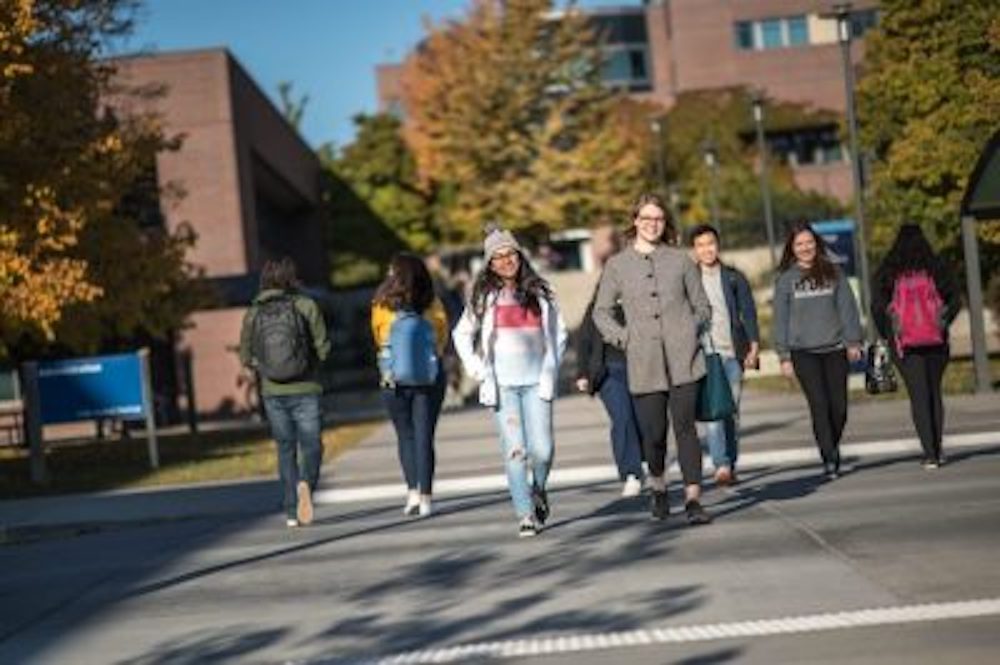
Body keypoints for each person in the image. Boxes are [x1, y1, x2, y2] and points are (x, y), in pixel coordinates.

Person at [593, 193, 713, 525]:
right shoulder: (617, 265)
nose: (652, 224)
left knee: (686, 429)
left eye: (658, 219)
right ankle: (658, 486)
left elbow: (703, 305)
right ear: (635, 222)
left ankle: (693, 499)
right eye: (646, 218)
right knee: (654, 433)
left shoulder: (681, 261)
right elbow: (601, 312)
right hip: (643, 361)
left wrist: (691, 327)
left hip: (685, 358)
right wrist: (624, 338)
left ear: (665, 222)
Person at [453, 226, 568, 538]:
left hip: (536, 383)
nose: (505, 261)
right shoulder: (484, 297)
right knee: (515, 450)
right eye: (497, 257)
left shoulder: (541, 292)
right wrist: (477, 369)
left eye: (510, 254)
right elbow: (461, 334)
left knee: (543, 450)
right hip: (503, 386)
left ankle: (538, 488)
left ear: (520, 256)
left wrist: (551, 368)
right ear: (490, 264)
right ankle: (525, 514)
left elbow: (559, 334)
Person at [239, 257, 331, 528]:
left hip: (272, 392)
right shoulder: (306, 305)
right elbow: (323, 348)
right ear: (291, 279)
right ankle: (306, 484)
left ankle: (291, 511)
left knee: (285, 448)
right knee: (312, 445)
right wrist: (309, 363)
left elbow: (246, 356)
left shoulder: (254, 312)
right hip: (307, 388)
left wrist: (266, 367)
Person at [773, 221, 862, 479]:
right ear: (792, 248)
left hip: (835, 349)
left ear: (817, 244)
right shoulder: (786, 280)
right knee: (819, 405)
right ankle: (829, 457)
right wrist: (783, 355)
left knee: (839, 407)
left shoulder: (833, 272)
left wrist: (853, 341)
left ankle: (831, 443)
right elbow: (780, 319)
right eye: (799, 244)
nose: (805, 248)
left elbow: (848, 308)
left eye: (809, 242)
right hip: (804, 353)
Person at [871, 224, 961, 469]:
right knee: (934, 393)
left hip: (904, 344)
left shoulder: (889, 270)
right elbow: (955, 299)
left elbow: (877, 307)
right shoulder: (936, 267)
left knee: (918, 396)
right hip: (936, 341)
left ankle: (929, 454)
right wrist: (942, 323)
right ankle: (939, 449)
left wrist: (888, 335)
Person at [372, 253, 450, 517]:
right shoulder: (432, 303)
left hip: (393, 377)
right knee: (424, 435)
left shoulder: (381, 305)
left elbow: (377, 336)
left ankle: (412, 493)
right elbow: (442, 335)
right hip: (430, 375)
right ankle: (427, 497)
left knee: (405, 434)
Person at [575, 225, 644, 497]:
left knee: (643, 420)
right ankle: (631, 472)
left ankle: (645, 459)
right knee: (623, 417)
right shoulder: (598, 303)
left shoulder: (641, 300)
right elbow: (584, 338)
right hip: (609, 371)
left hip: (641, 368)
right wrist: (582, 372)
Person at [689, 224, 760, 486]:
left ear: (717, 246)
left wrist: (753, 346)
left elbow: (748, 313)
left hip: (732, 354)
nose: (707, 249)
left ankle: (730, 461)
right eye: (701, 245)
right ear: (694, 250)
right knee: (714, 412)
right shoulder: (689, 279)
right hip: (705, 356)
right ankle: (721, 465)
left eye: (711, 243)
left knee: (731, 411)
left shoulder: (733, 277)